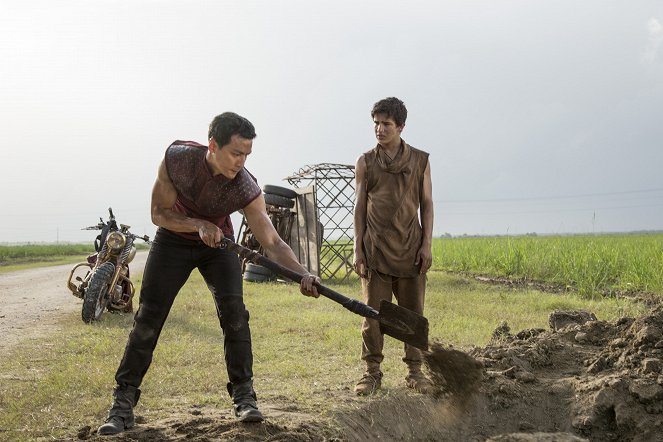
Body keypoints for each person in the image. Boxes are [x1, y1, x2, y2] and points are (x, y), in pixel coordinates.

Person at [97, 112, 321, 435]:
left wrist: (302, 274)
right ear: (213, 146)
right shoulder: (177, 159)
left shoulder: (245, 186)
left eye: (247, 155)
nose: (241, 162)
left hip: (219, 245)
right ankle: (123, 403)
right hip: (174, 238)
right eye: (235, 153)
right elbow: (159, 213)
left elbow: (272, 241)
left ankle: (244, 396)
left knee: (235, 314)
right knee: (149, 316)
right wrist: (197, 224)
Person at [352, 97, 434, 396]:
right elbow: (360, 207)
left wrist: (426, 245)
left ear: (401, 126)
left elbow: (427, 204)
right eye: (376, 123)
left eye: (386, 124)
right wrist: (358, 248)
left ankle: (415, 371)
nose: (379, 129)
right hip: (376, 250)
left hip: (411, 248)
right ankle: (371, 372)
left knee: (414, 314)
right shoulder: (365, 161)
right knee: (372, 314)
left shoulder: (420, 160)